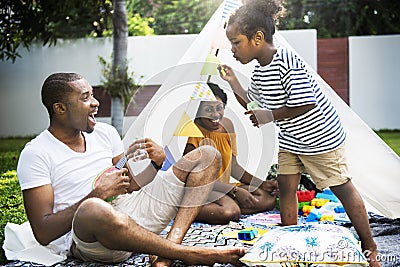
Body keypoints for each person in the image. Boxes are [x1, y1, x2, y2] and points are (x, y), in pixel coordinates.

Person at [16, 72, 247, 267]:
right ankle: (186, 254)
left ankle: (170, 246)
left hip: (132, 213)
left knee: (208, 155)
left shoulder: (105, 133)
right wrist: (97, 195)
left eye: (92, 95)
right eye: (86, 98)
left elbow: (130, 185)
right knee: (92, 208)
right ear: (60, 108)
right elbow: (43, 232)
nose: (95, 103)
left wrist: (156, 164)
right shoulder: (36, 153)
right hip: (93, 238)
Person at [217, 0, 381, 266]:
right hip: (292, 139)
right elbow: (253, 104)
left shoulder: (286, 61)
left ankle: (369, 244)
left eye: (236, 42)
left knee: (343, 188)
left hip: (321, 138)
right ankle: (290, 240)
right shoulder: (259, 73)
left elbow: (305, 102)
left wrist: (269, 116)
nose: (232, 50)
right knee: (286, 185)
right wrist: (234, 81)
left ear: (257, 38)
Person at [184, 82, 278, 224]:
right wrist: (234, 191)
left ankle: (221, 206)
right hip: (202, 189)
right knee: (230, 212)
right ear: (198, 111)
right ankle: (185, 208)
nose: (216, 114)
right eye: (208, 110)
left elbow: (233, 166)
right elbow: (196, 179)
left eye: (219, 108)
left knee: (267, 199)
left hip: (224, 188)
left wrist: (261, 183)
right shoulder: (192, 131)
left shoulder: (227, 126)